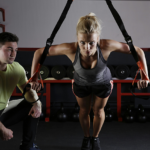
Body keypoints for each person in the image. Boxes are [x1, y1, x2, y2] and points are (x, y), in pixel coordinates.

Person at [30, 13, 149, 150]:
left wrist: (144, 75)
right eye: (83, 42)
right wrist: (34, 77)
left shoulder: (106, 45)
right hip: (81, 83)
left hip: (103, 82)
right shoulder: (71, 49)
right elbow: (39, 52)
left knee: (98, 111)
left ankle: (95, 138)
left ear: (98, 39)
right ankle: (87, 137)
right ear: (78, 40)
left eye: (92, 43)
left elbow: (138, 51)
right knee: (84, 110)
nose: (87, 48)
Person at [0, 32, 42, 150]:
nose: (14, 54)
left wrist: (37, 104)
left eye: (16, 50)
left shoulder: (16, 68)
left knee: (33, 102)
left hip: (3, 110)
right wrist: (2, 129)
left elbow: (27, 90)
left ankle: (28, 146)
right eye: (9, 49)